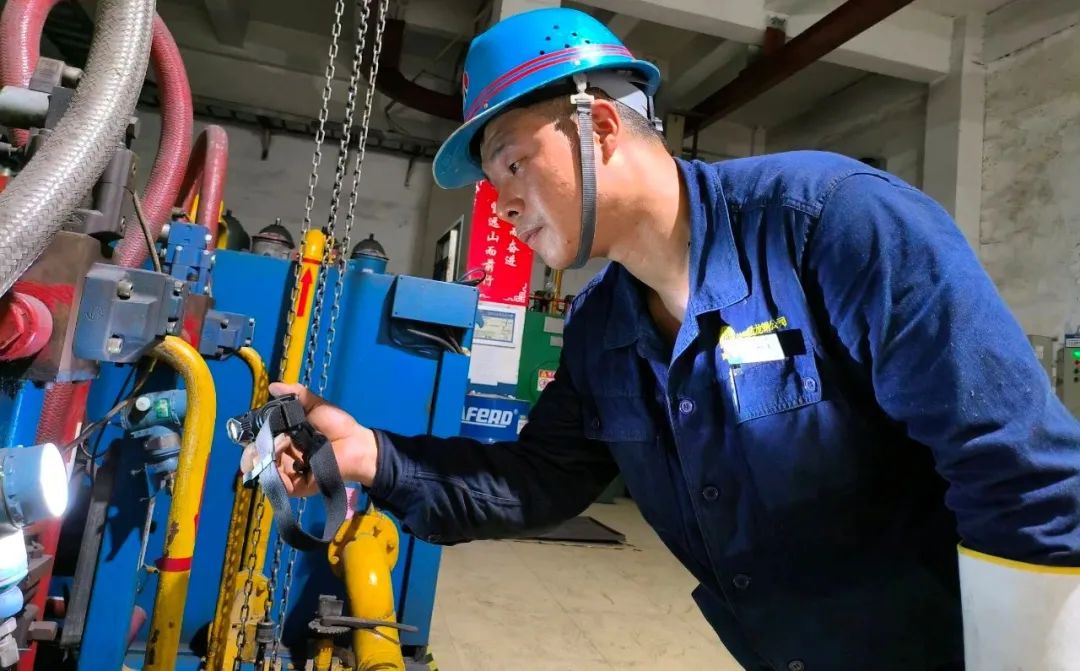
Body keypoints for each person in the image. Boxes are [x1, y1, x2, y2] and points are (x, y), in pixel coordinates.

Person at [264, 7, 1080, 670]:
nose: (501, 205)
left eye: (512, 163)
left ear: (600, 127)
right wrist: (371, 454)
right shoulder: (603, 327)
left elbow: (1024, 478)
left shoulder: (833, 225)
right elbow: (538, 481)